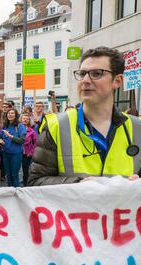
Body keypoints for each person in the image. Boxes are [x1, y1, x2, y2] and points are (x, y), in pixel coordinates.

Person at [28, 46, 141, 186]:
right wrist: (81, 184)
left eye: (97, 73)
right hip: (74, 208)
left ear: (117, 81)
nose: (85, 80)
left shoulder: (138, 128)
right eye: (82, 74)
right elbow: (35, 182)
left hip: (123, 208)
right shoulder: (56, 125)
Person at [0, 109, 26, 187]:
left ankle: (16, 192)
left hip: (16, 154)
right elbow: (0, 136)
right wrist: (1, 141)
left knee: (14, 175)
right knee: (8, 175)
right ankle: (10, 193)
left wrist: (10, 136)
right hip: (6, 153)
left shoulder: (20, 125)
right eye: (8, 113)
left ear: (15, 115)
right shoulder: (5, 125)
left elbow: (22, 140)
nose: (10, 115)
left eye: (12, 113)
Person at [21, 113, 37, 187]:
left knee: (25, 170)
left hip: (26, 154)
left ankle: (26, 185)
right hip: (17, 152)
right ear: (21, 120)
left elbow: (35, 142)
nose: (25, 120)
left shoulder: (31, 131)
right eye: (23, 118)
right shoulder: (17, 129)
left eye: (27, 119)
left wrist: (31, 152)